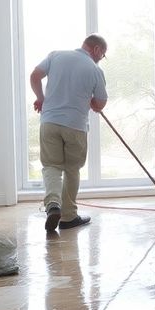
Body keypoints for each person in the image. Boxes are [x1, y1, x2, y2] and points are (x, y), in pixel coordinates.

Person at [30, 34, 109, 231]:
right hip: (75, 126)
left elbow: (35, 76)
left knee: (51, 166)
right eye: (103, 55)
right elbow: (100, 103)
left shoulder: (56, 56)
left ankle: (53, 205)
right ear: (97, 49)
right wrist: (92, 102)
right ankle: (68, 217)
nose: (101, 59)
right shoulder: (95, 70)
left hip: (49, 122)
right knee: (72, 169)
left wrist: (40, 98)